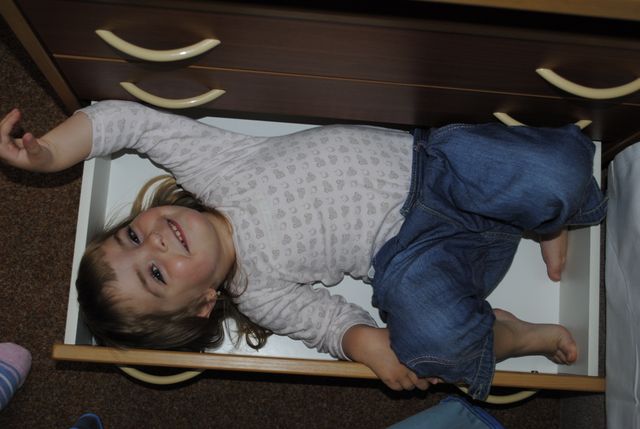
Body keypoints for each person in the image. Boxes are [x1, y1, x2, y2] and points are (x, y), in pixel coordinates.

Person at [0, 101, 606, 400]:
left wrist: (49, 155)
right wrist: (366, 345)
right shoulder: (257, 294)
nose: (154, 240)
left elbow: (127, 122)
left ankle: (544, 215)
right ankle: (516, 334)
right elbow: (326, 323)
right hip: (418, 258)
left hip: (437, 169)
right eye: (156, 273)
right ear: (203, 302)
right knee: (432, 348)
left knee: (556, 174)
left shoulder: (217, 170)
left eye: (132, 235)